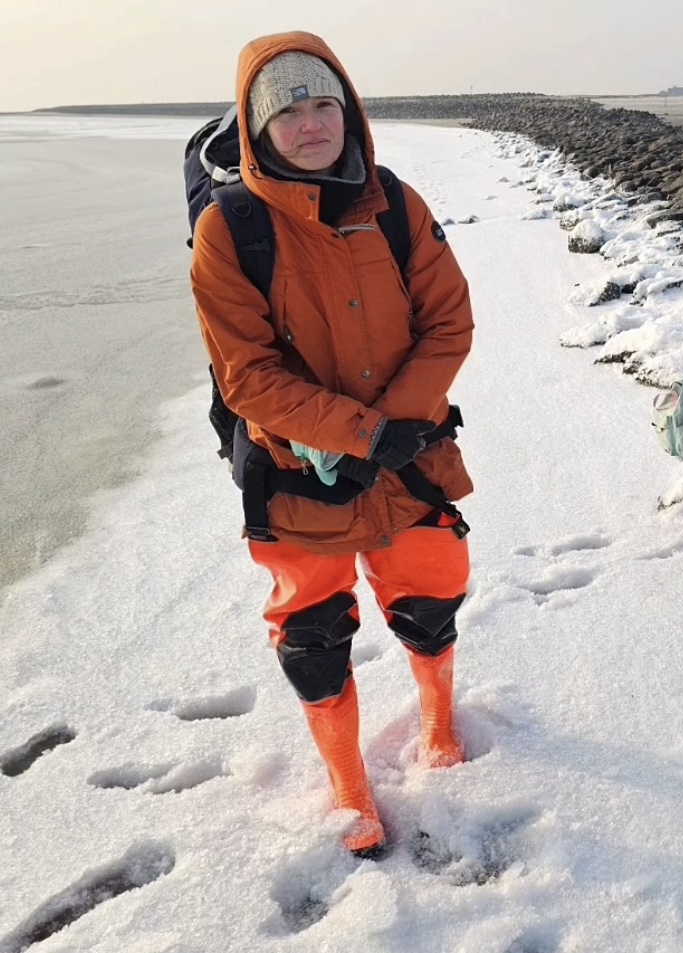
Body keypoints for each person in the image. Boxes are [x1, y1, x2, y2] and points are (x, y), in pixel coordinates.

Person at [190, 31, 474, 858]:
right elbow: (246, 376)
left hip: (412, 457)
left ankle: (438, 720)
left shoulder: (395, 204)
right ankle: (350, 783)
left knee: (432, 597)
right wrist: (360, 433)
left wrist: (395, 428)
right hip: (296, 474)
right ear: (257, 129)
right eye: (289, 113)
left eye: (325, 104)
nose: (312, 124)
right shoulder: (228, 231)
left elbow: (449, 321)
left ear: (349, 112)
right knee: (312, 635)